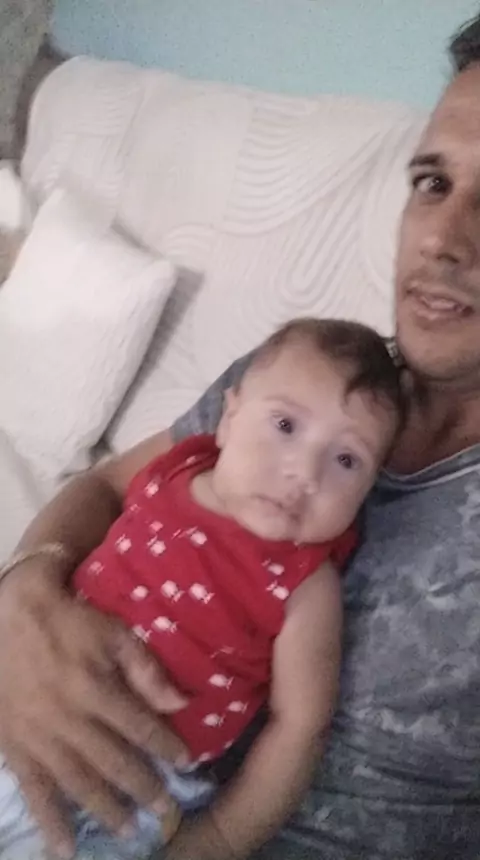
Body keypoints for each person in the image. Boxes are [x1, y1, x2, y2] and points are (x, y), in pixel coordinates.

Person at [1, 12, 480, 860]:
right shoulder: (311, 378)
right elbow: (110, 486)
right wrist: (25, 598)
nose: (442, 239)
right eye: (432, 182)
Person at [0, 319, 403, 860]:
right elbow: (101, 487)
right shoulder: (176, 468)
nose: (305, 473)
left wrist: (221, 838)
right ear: (229, 416)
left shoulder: (307, 586)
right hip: (28, 680)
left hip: (128, 786)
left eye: (347, 460)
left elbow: (298, 729)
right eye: (285, 425)